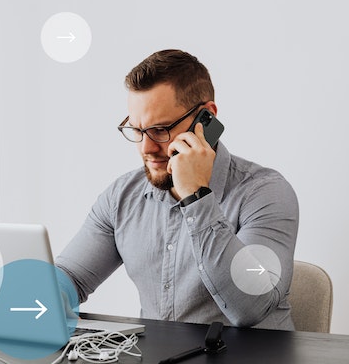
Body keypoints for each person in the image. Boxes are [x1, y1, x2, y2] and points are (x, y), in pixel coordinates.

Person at [55, 49, 298, 330]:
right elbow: (70, 277)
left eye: (160, 130)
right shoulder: (121, 197)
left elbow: (252, 307)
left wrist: (196, 196)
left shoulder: (265, 192)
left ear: (206, 118)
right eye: (137, 130)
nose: (146, 149)